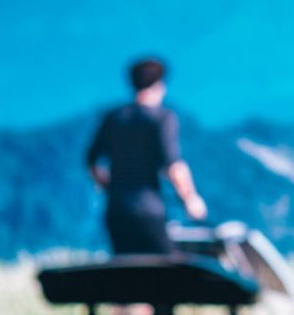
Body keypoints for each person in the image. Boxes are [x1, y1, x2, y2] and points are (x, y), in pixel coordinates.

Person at [85, 57, 206, 255]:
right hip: (148, 209)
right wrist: (191, 199)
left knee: (128, 269)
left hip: (116, 210)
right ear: (159, 85)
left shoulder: (113, 118)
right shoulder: (162, 118)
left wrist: (109, 186)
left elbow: (91, 160)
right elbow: (173, 166)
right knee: (166, 268)